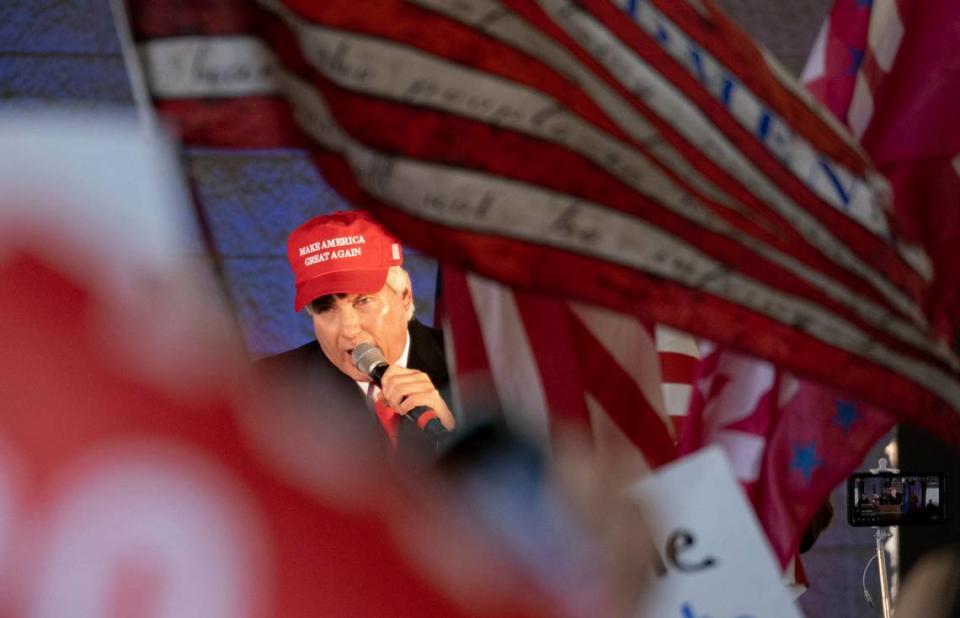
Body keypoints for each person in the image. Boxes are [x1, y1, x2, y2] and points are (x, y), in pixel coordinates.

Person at [258, 210, 455, 459]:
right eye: (325, 308)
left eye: (363, 301)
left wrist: (452, 434)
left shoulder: (476, 370)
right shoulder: (268, 391)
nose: (349, 329)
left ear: (404, 297)